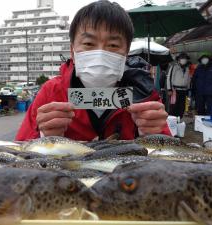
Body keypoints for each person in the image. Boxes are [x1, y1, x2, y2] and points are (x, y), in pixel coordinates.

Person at [16, 0, 170, 141]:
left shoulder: (144, 94)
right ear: (73, 51)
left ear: (126, 53)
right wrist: (45, 138)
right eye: (89, 43)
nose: (100, 54)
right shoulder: (52, 93)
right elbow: (19, 156)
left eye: (113, 45)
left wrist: (151, 136)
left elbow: (169, 159)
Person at [166, 52, 191, 118]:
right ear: (178, 59)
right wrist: (169, 89)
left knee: (182, 107)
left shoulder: (187, 68)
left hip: (184, 90)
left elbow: (188, 79)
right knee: (173, 107)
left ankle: (179, 120)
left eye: (185, 58)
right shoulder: (174, 67)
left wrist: (188, 88)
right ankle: (172, 121)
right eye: (182, 58)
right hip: (175, 91)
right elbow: (169, 78)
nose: (183, 60)